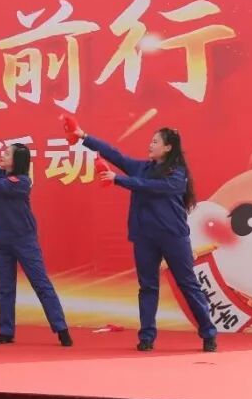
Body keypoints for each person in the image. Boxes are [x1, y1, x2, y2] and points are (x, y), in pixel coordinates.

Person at [76, 125, 217, 352]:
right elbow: (114, 154)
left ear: (168, 147)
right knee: (148, 287)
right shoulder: (141, 168)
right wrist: (84, 137)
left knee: (188, 285)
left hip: (173, 237)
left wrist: (118, 179)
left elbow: (155, 187)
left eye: (155, 142)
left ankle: (208, 333)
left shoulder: (177, 173)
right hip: (145, 238)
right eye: (151, 141)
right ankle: (147, 337)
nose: (150, 145)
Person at [0, 117, 72, 346]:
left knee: (40, 284)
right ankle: (6, 331)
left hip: (24, 240)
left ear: (17, 161)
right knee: (5, 288)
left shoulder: (22, 182)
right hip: (1, 240)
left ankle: (61, 328)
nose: (2, 155)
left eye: (7, 153)